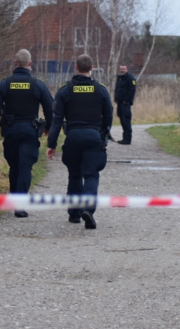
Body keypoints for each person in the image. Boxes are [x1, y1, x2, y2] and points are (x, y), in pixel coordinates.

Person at [46, 54, 113, 229]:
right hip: (93, 136)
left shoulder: (65, 90)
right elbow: (108, 115)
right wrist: (104, 134)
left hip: (73, 137)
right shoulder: (101, 89)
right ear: (91, 68)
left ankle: (75, 214)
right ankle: (88, 210)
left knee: (75, 174)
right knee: (91, 174)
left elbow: (57, 119)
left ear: (76, 67)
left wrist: (51, 144)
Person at [0, 49, 53, 218]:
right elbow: (50, 109)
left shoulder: (4, 84)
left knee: (14, 166)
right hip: (30, 131)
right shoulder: (38, 85)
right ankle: (19, 205)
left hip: (11, 131)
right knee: (25, 167)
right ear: (30, 64)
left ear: (15, 63)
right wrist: (49, 128)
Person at [114, 65, 136, 145]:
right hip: (119, 102)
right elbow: (117, 89)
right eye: (121, 69)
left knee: (126, 120)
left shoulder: (130, 78)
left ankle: (128, 139)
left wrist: (126, 100)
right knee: (122, 119)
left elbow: (132, 90)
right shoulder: (120, 78)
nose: (122, 70)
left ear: (127, 69)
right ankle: (124, 138)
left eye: (123, 69)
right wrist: (115, 98)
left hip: (125, 103)